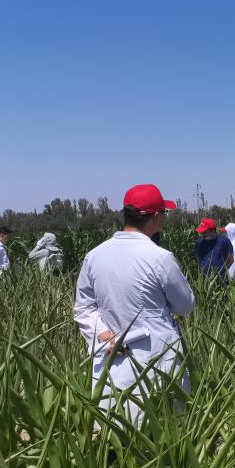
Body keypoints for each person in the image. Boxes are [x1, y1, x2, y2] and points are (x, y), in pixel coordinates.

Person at [73, 183, 194, 427]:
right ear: (157, 217)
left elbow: (83, 308)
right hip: (157, 358)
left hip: (111, 358)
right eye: (164, 213)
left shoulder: (95, 255)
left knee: (115, 429)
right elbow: (185, 305)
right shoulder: (159, 257)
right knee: (163, 430)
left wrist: (102, 333)